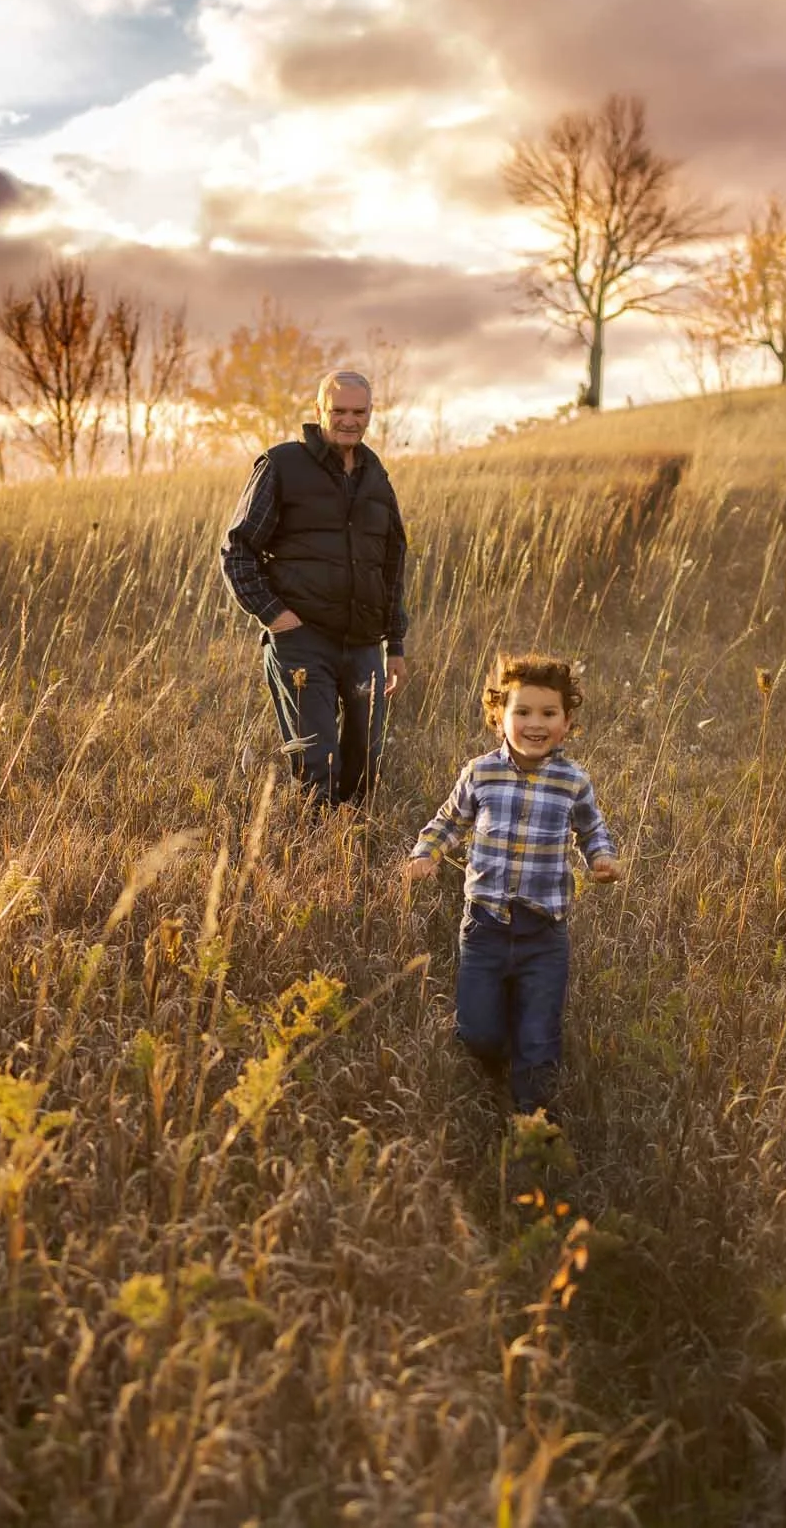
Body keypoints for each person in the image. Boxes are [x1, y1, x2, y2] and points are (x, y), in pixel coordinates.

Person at [403, 653, 621, 1118]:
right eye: (522, 712)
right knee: (478, 1031)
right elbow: (449, 821)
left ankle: (531, 1118)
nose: (534, 723)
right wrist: (426, 853)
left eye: (548, 713)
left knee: (539, 1037)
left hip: (544, 933)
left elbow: (591, 828)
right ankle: (492, 1064)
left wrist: (600, 857)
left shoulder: (573, 781)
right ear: (499, 715)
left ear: (567, 722)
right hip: (485, 928)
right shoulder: (481, 772)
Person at [220, 369, 409, 805]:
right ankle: (317, 855)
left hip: (364, 644)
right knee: (319, 766)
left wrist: (394, 643)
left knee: (365, 765)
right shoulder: (282, 465)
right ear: (318, 411)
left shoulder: (375, 475)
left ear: (370, 414)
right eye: (338, 410)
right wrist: (275, 616)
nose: (349, 420)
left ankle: (353, 855)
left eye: (358, 411)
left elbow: (391, 563)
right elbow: (238, 549)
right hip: (303, 642)